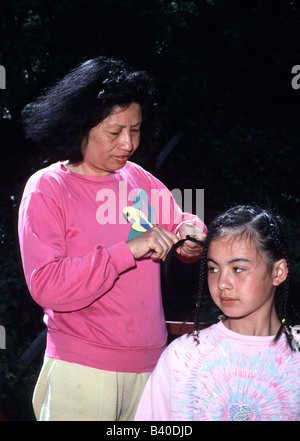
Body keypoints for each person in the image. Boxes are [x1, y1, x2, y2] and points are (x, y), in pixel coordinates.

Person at [18, 56, 207, 421]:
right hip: (83, 368)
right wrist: (129, 251)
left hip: (151, 367)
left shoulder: (140, 180)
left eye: (135, 130)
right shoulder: (48, 188)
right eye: (115, 131)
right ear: (80, 126)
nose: (128, 143)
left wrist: (191, 239)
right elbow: (46, 285)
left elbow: (182, 228)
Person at [135, 205, 300, 421]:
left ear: (278, 272)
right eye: (214, 269)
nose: (222, 283)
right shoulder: (182, 358)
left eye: (238, 269)